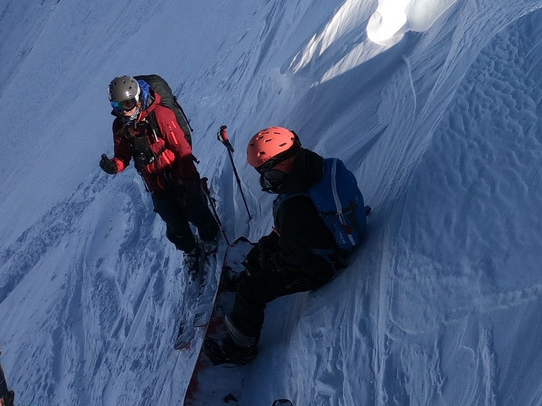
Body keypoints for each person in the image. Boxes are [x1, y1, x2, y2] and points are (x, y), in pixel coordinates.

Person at [204, 126, 365, 366]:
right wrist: (264, 253)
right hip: (314, 239)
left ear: (281, 163)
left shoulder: (295, 206)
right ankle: (250, 270)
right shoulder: (310, 168)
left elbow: (293, 259)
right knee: (262, 250)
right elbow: (296, 233)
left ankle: (239, 349)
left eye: (266, 173)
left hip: (318, 265)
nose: (265, 179)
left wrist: (269, 262)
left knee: (252, 291)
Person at [99, 75, 220, 276]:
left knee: (195, 209)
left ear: (137, 98)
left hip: (178, 173)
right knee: (174, 223)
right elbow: (123, 155)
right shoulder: (120, 126)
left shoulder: (160, 115)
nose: (124, 110)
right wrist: (115, 166)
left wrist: (189, 179)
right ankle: (190, 250)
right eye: (117, 105)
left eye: (127, 103)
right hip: (155, 183)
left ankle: (210, 237)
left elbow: (181, 148)